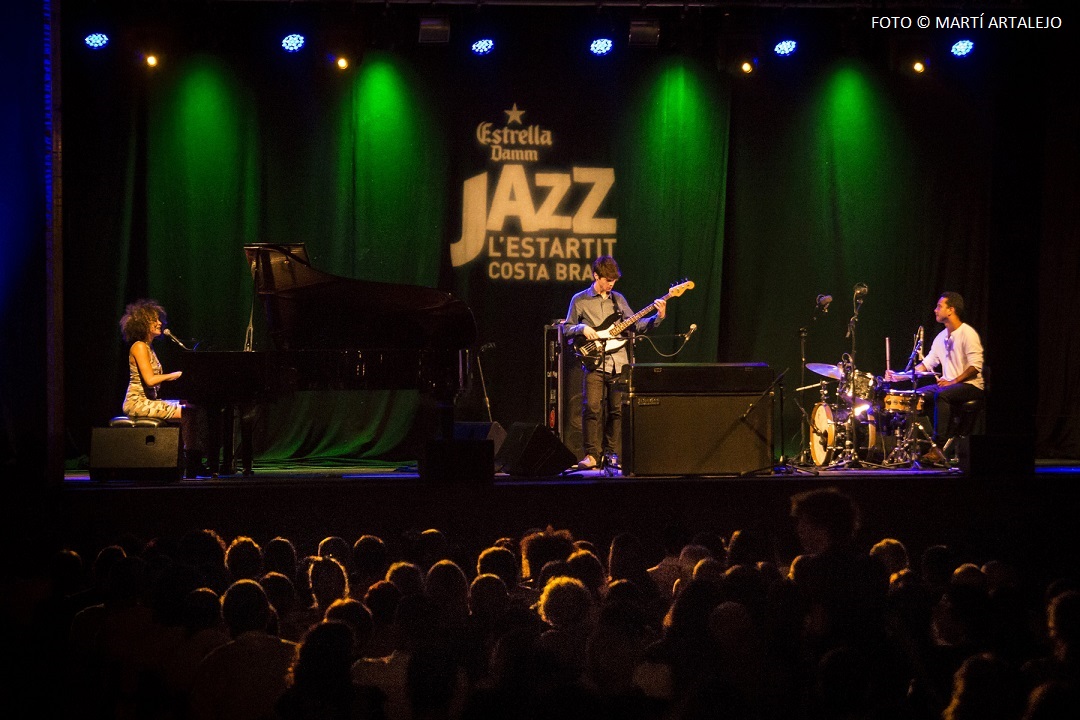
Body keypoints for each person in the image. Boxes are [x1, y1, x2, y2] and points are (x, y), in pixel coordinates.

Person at [563, 256, 665, 470]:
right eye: (607, 280)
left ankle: (611, 455)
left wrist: (658, 316)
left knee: (617, 410)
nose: (611, 284)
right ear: (596, 276)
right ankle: (591, 455)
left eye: (614, 281)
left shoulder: (618, 300)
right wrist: (583, 329)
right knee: (591, 408)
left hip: (619, 362)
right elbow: (567, 328)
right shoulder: (579, 300)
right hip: (593, 363)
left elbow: (635, 325)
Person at [887, 291, 984, 462]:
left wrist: (953, 381)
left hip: (971, 386)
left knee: (942, 395)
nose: (935, 310)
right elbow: (926, 364)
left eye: (939, 306)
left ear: (951, 310)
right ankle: (915, 445)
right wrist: (899, 376)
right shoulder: (941, 337)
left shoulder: (968, 334)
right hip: (950, 384)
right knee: (917, 396)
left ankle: (938, 446)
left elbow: (975, 367)